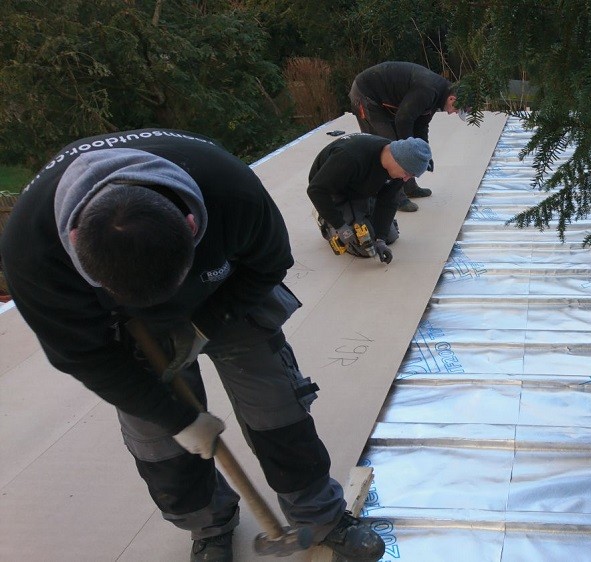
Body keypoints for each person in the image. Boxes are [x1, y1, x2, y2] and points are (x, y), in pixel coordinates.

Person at [0, 130, 385, 562]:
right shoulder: (32, 251)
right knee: (160, 442)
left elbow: (271, 263)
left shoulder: (229, 191)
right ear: (74, 245)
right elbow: (83, 355)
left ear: (191, 225)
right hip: (129, 331)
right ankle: (210, 527)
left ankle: (320, 515)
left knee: (277, 403)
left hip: (222, 294)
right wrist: (177, 418)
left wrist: (206, 322)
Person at [349, 61, 464, 212]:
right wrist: (408, 151)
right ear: (452, 99)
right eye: (456, 110)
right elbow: (403, 120)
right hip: (366, 94)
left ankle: (410, 188)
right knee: (389, 148)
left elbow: (420, 126)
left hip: (380, 98)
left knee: (402, 148)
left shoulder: (436, 96)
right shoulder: (428, 90)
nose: (453, 113)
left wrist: (425, 155)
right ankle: (396, 198)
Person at [307, 133, 431, 261]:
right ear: (395, 159)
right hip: (333, 189)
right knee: (363, 247)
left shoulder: (400, 167)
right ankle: (324, 219)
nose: (406, 179)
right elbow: (316, 190)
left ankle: (361, 213)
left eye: (411, 176)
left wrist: (381, 239)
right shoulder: (350, 156)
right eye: (406, 173)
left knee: (389, 237)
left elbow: (389, 200)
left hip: (360, 186)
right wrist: (340, 226)